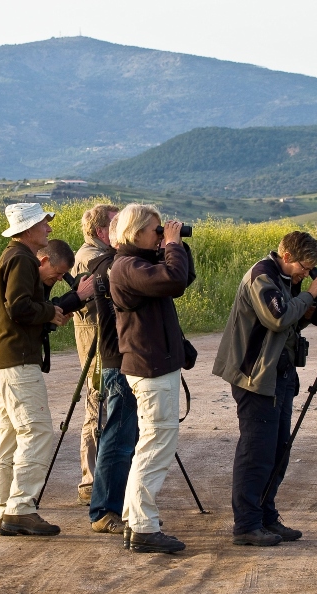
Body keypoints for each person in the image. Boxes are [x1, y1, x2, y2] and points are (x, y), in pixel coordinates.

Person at [212, 231, 317, 547]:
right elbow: (277, 318)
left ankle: (266, 517)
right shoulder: (261, 276)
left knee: (278, 452)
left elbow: (287, 325)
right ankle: (247, 525)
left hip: (280, 374)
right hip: (256, 378)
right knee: (257, 453)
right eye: (305, 267)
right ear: (287, 256)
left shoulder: (285, 279)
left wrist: (306, 309)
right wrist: (310, 295)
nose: (307, 274)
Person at [110, 203, 195, 553]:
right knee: (156, 444)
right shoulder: (128, 266)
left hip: (153, 365)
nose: (161, 234)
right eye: (156, 230)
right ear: (137, 231)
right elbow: (173, 279)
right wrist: (172, 245)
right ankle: (144, 526)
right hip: (150, 368)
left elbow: (183, 278)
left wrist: (174, 246)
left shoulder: (139, 263)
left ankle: (135, 520)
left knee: (153, 442)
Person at [0, 203, 67, 536]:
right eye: (44, 224)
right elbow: (18, 307)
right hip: (17, 360)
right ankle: (21, 507)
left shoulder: (4, 260)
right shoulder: (21, 260)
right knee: (37, 430)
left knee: (10, 436)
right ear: (29, 229)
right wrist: (49, 312)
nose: (48, 229)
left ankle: (4, 507)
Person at [87, 217, 138, 536]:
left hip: (120, 357)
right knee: (118, 437)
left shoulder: (111, 263)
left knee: (124, 436)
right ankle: (104, 510)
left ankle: (115, 506)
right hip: (119, 359)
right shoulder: (115, 266)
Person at [70, 203, 119, 506]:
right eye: (116, 225)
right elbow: (114, 275)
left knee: (109, 405)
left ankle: (106, 477)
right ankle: (90, 481)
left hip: (108, 340)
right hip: (96, 345)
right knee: (96, 407)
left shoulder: (103, 254)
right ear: (101, 231)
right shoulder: (90, 257)